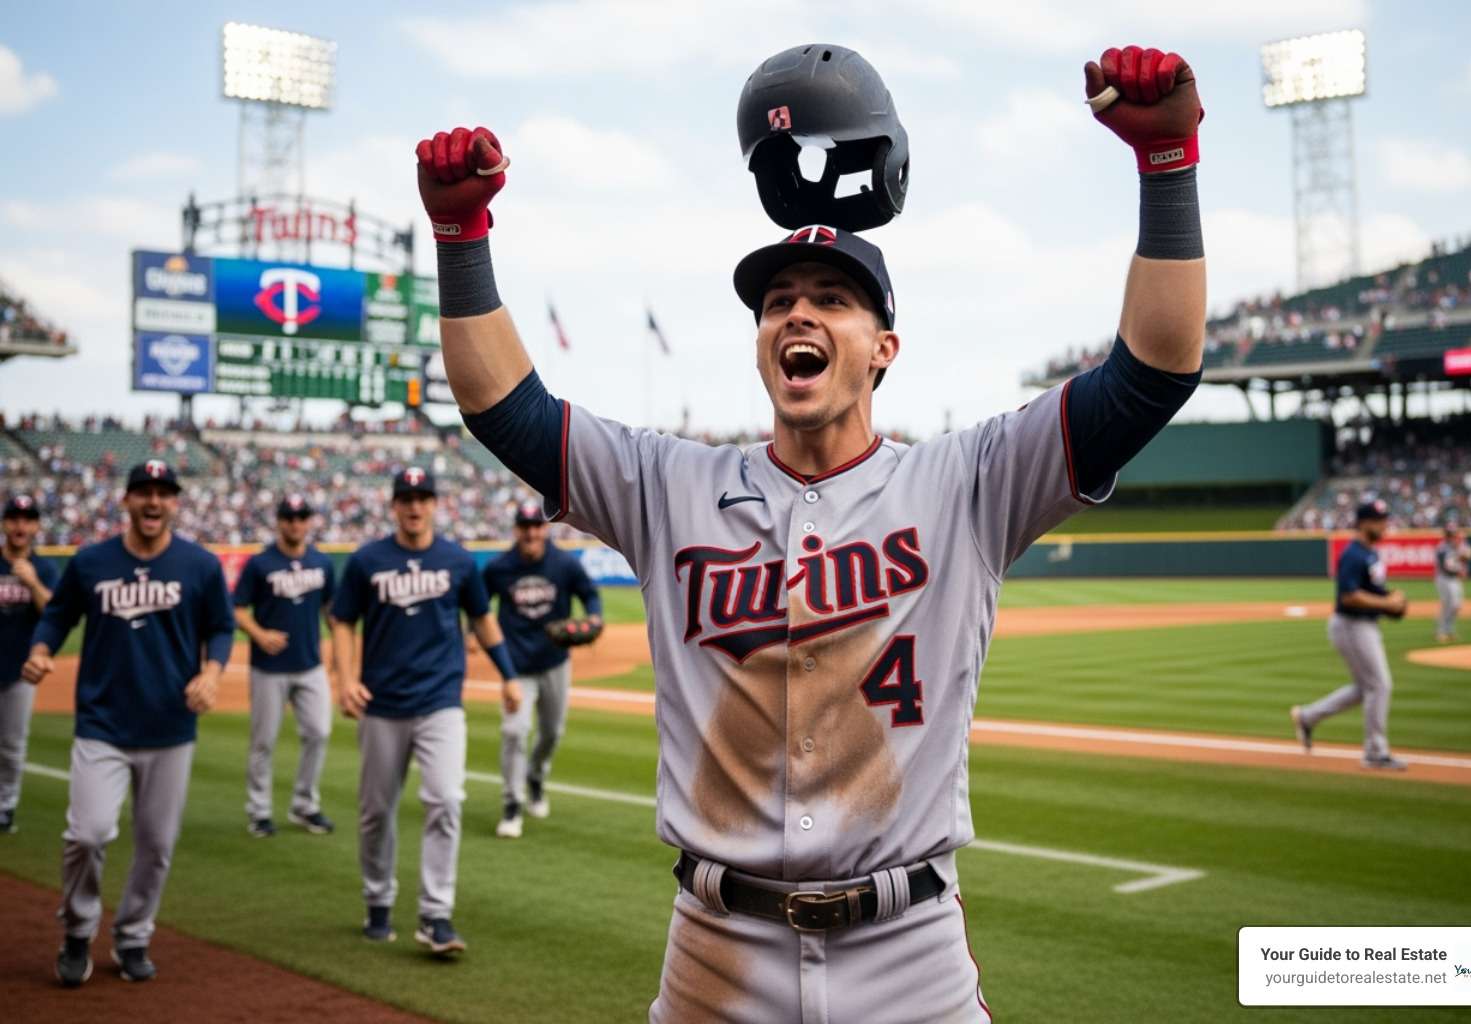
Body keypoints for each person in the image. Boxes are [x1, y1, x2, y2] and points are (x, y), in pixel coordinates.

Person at [417, 43, 1205, 1022]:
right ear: (760, 344)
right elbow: (506, 408)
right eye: (778, 302)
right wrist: (462, 232)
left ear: (884, 348)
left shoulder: (968, 480)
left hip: (909, 953)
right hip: (715, 951)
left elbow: (1153, 374)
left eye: (832, 298)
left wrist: (1167, 163)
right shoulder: (668, 485)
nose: (799, 313)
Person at [23, 460, 235, 986]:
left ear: (175, 502)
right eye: (144, 492)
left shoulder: (199, 564)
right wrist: (42, 648)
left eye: (163, 493)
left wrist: (211, 672)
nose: (153, 502)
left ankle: (134, 935)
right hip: (103, 724)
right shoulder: (92, 561)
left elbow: (222, 627)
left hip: (170, 727)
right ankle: (78, 928)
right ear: (126, 500)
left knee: (157, 845)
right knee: (87, 834)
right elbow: (57, 614)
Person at [329, 467, 521, 956]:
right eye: (406, 498)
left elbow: (482, 620)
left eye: (423, 497)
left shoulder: (457, 559)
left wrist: (508, 674)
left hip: (440, 703)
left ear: (436, 504)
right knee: (376, 812)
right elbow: (343, 621)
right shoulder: (367, 560)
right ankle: (377, 900)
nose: (414, 506)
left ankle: (436, 914)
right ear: (394, 505)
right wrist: (346, 679)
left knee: (445, 800)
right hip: (382, 704)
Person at [482, 497, 603, 838]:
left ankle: (535, 776)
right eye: (525, 526)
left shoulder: (564, 564)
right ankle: (511, 803)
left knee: (552, 732)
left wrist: (593, 616)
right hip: (516, 666)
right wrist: (470, 632)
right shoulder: (499, 567)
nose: (531, 532)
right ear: (516, 529)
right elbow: (479, 603)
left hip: (555, 662)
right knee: (514, 731)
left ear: (544, 528)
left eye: (537, 525)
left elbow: (589, 594)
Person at [232, 493, 337, 838]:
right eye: (289, 517)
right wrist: (259, 635)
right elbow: (237, 608)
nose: (295, 523)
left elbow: (330, 609)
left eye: (301, 517)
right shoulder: (261, 564)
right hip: (269, 667)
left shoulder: (322, 563)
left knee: (319, 732)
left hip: (310, 664)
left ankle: (305, 805)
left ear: (309, 522)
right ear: (279, 521)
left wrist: (339, 643)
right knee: (263, 741)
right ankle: (259, 811)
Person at [1290, 499, 1409, 770]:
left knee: (1365, 688)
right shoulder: (1353, 554)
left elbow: (1372, 592)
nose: (1384, 525)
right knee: (1379, 685)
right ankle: (1374, 753)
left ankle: (1307, 718)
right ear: (1366, 523)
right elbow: (1349, 596)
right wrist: (1386, 603)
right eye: (1380, 521)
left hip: (1364, 625)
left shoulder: (1371, 554)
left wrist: (1391, 598)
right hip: (1350, 625)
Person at [0, 494, 59, 834]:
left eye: (27, 520)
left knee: (11, 744)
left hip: (22, 669)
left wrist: (33, 582)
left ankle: (5, 807)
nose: (20, 525)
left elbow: (55, 614)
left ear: (36, 526)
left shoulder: (46, 568)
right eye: (14, 519)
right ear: (5, 524)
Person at [1433, 521, 1471, 643]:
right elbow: (1445, 566)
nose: (1453, 536)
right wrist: (1458, 572)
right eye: (1450, 533)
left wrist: (1465, 556)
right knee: (1447, 604)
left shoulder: (1457, 546)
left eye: (1454, 533)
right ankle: (1441, 631)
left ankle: (1450, 630)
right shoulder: (1442, 548)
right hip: (1444, 579)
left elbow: (1467, 556)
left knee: (1456, 605)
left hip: (1454, 579)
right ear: (1446, 534)